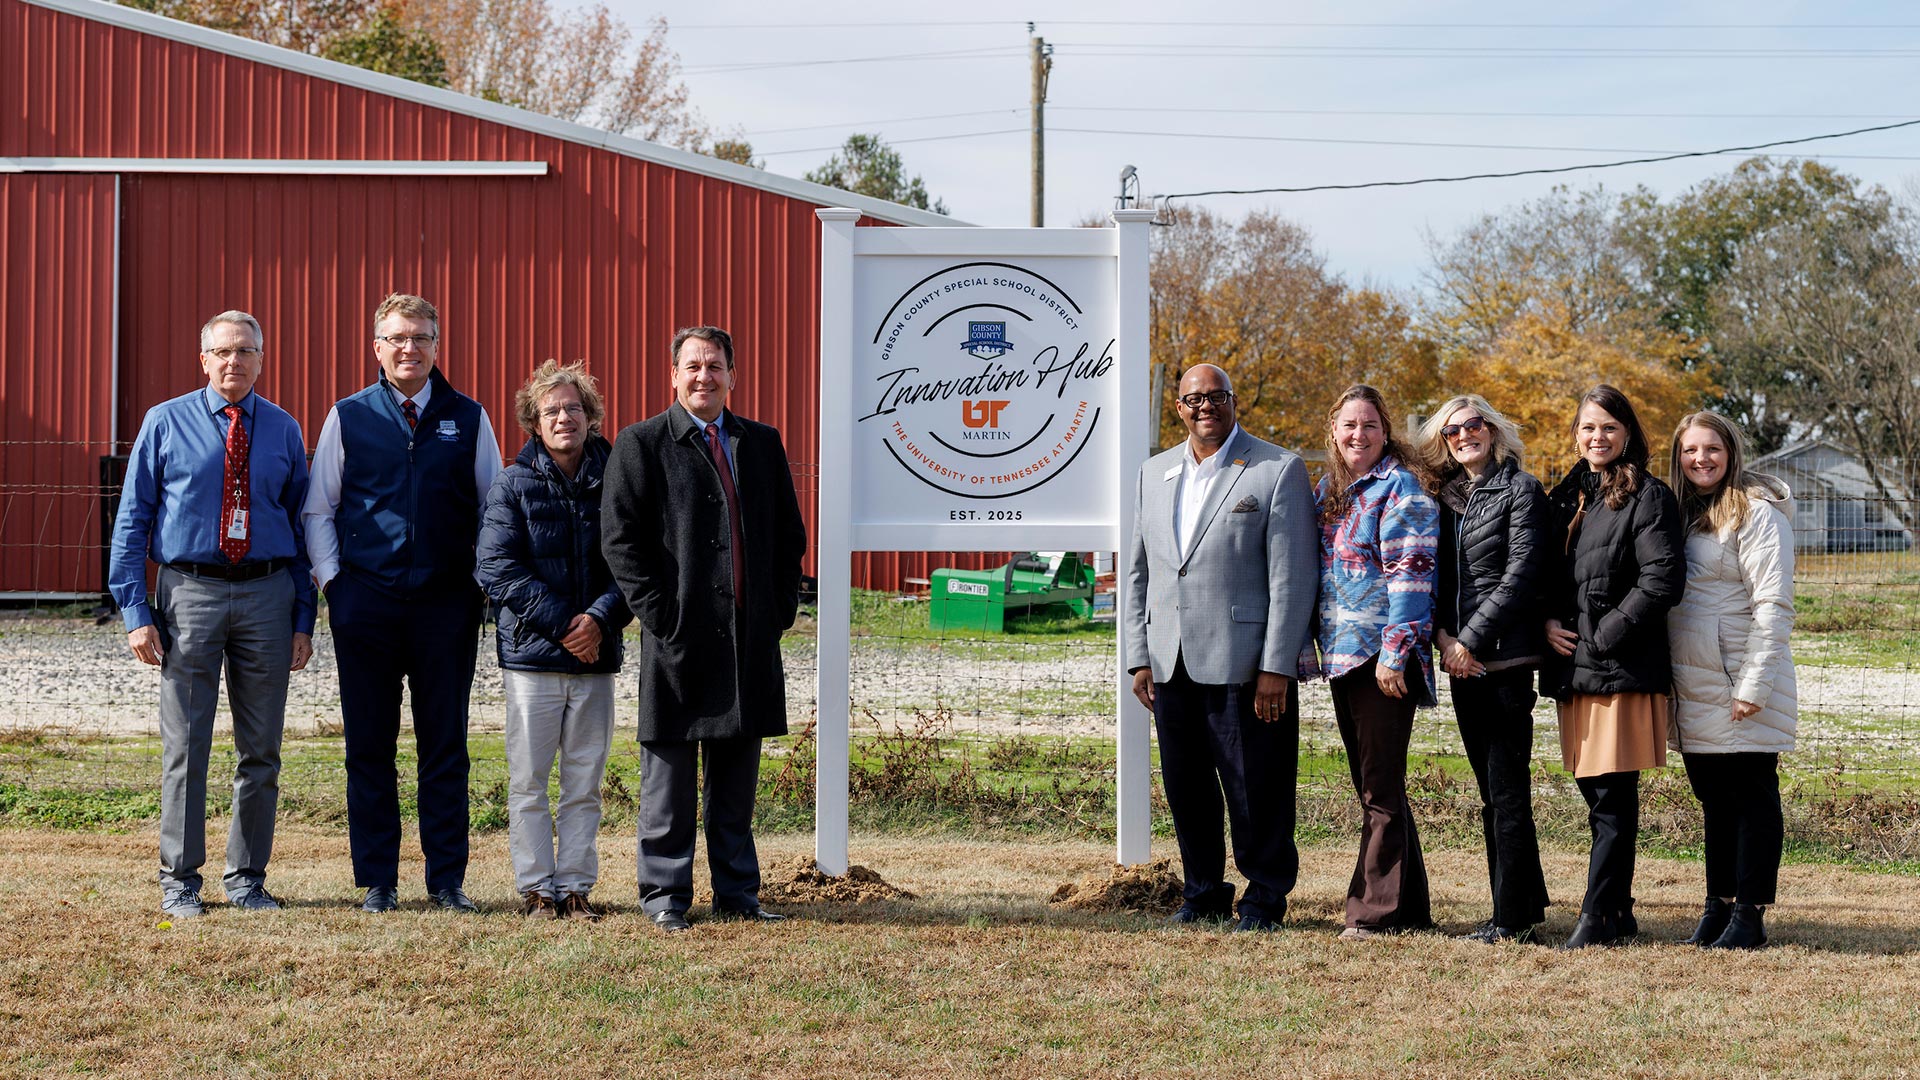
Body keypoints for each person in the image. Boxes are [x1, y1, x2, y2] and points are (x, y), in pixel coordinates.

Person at [109, 310, 316, 917]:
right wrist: (135, 610)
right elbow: (132, 519)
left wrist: (304, 617)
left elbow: (304, 528)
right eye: (223, 352)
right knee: (187, 745)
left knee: (262, 750)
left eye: (246, 351)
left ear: (261, 358)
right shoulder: (164, 422)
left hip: (268, 595)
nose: (234, 362)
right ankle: (180, 880)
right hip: (189, 594)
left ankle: (247, 878)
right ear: (203, 360)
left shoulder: (282, 429)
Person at [601, 325, 807, 933]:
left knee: (736, 784)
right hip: (677, 640)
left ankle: (738, 893)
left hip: (748, 640)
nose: (704, 376)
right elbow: (620, 541)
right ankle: (665, 896)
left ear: (732, 376)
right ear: (673, 375)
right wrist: (661, 616)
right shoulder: (642, 445)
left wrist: (777, 612)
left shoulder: (760, 444)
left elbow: (789, 538)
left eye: (715, 366)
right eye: (692, 366)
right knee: (667, 778)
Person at [303, 293, 502, 914]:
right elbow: (319, 508)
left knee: (445, 745)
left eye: (420, 337)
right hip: (368, 605)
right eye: (396, 338)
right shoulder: (348, 415)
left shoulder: (468, 417)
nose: (409, 348)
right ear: (377, 348)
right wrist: (336, 585)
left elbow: (494, 507)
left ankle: (446, 881)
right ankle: (378, 881)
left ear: (437, 346)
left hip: (446, 608)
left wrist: (475, 585)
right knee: (370, 744)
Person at [1123, 363, 1320, 933]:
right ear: (1178, 408)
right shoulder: (1153, 473)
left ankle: (1263, 900)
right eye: (1193, 399)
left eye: (1216, 396)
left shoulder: (1276, 469)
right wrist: (1140, 656)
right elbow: (1140, 573)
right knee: (1187, 788)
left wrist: (1276, 666)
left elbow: (1293, 576)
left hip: (1245, 663)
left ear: (1234, 402)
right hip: (1170, 661)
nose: (1204, 406)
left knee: (1255, 788)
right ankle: (1204, 891)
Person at [476, 360, 633, 921]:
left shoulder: (620, 478)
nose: (563, 417)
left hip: (596, 657)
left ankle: (575, 888)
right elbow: (496, 567)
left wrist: (600, 620)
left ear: (591, 417)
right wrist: (568, 624)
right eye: (551, 411)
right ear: (533, 423)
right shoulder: (512, 485)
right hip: (532, 660)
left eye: (573, 408)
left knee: (585, 782)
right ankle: (537, 890)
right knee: (528, 781)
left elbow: (636, 563)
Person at [1541, 384, 1686, 950]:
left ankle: (1599, 916)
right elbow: (1550, 575)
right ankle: (1619, 910)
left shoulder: (1648, 496)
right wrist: (1547, 623)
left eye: (1607, 427)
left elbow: (1662, 580)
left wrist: (1603, 637)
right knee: (1595, 791)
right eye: (1587, 428)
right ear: (1575, 435)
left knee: (1610, 798)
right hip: (1573, 668)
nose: (1596, 437)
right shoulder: (1572, 494)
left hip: (1618, 667)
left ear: (1627, 433)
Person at [1416, 394, 1551, 945]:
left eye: (1473, 426)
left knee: (1507, 790)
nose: (1464, 435)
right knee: (1490, 791)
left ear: (1492, 431)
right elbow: (1442, 579)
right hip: (1461, 660)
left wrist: (1467, 639)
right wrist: (1445, 637)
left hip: (1503, 661)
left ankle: (1512, 920)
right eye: (1452, 432)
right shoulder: (1446, 498)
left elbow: (1520, 574)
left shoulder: (1521, 490)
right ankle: (1519, 903)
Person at [1309, 384, 1441, 941]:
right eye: (1347, 426)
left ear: (1385, 432)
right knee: (1375, 784)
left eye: (1368, 425)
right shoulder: (1330, 494)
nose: (1357, 435)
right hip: (1342, 656)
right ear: (1333, 433)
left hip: (1382, 659)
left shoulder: (1400, 489)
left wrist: (1395, 656)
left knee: (1380, 789)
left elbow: (1412, 579)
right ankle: (1409, 906)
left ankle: (1374, 913)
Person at [1667, 411, 1797, 950]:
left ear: (1732, 452)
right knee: (1714, 798)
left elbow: (1774, 604)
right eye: (1691, 450)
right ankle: (1716, 903)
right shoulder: (1680, 513)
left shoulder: (1757, 515)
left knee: (1752, 797)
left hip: (1737, 673)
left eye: (1712, 448)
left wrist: (1753, 685)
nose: (1702, 459)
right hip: (1691, 676)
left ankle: (1750, 912)